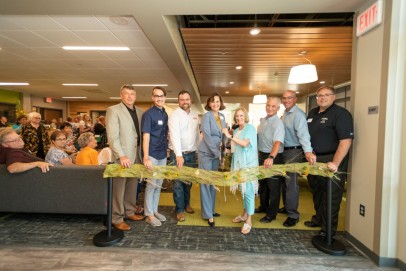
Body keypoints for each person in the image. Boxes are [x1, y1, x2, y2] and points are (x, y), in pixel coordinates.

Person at [306, 86, 354, 237]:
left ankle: (328, 231)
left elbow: (346, 141)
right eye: (320, 95)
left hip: (331, 160)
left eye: (327, 95)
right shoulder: (313, 113)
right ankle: (318, 219)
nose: (322, 97)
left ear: (334, 97)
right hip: (314, 159)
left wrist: (336, 163)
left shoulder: (341, 114)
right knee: (317, 193)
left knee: (331, 196)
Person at [106, 84, 145, 231]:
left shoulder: (140, 112)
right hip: (122, 157)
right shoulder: (113, 110)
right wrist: (121, 155)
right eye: (126, 94)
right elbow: (113, 137)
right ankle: (116, 218)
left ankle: (129, 211)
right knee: (119, 188)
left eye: (132, 94)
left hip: (137, 155)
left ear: (135, 96)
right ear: (121, 95)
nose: (129, 96)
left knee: (132, 185)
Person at [280, 90, 316, 227]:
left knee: (291, 183)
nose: (286, 100)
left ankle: (293, 215)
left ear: (295, 99)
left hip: (294, 151)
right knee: (285, 181)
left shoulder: (298, 114)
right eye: (284, 98)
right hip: (285, 150)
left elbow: (303, 135)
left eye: (289, 98)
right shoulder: (285, 113)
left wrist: (308, 152)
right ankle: (287, 207)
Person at [222, 107, 258, 234]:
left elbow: (245, 144)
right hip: (238, 164)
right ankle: (244, 214)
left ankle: (249, 220)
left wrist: (229, 136)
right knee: (243, 190)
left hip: (248, 165)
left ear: (245, 116)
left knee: (248, 192)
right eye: (237, 116)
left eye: (241, 115)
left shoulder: (250, 128)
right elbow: (234, 149)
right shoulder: (237, 130)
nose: (239, 118)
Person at [168, 90, 200, 222]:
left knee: (188, 182)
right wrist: (179, 155)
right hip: (178, 155)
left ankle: (187, 204)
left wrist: (197, 150)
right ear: (178, 101)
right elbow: (174, 135)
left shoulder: (194, 114)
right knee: (178, 184)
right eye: (182, 99)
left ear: (190, 100)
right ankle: (179, 210)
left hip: (192, 153)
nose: (185, 102)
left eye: (187, 99)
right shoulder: (174, 115)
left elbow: (196, 133)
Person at [141, 86, 169, 227]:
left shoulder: (165, 113)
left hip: (162, 154)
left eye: (161, 95)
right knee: (151, 185)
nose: (159, 98)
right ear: (152, 97)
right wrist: (146, 157)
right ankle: (149, 214)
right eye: (156, 96)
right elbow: (145, 137)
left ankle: (155, 210)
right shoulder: (148, 114)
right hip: (151, 154)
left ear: (165, 97)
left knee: (159, 185)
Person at [198, 92, 226, 227]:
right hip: (206, 153)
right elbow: (207, 136)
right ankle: (208, 215)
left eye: (218, 101)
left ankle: (211, 210)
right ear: (209, 103)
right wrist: (216, 152)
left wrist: (223, 150)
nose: (216, 104)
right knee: (205, 183)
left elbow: (224, 134)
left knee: (213, 183)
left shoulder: (222, 116)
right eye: (213, 101)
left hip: (217, 153)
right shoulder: (206, 116)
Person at [256, 97, 285, 224]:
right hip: (262, 155)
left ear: (278, 108)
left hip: (274, 157)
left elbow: (277, 143)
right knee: (263, 184)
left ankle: (271, 214)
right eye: (268, 105)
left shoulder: (278, 123)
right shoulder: (263, 120)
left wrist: (271, 157)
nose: (270, 108)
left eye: (273, 106)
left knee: (274, 187)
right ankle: (263, 206)